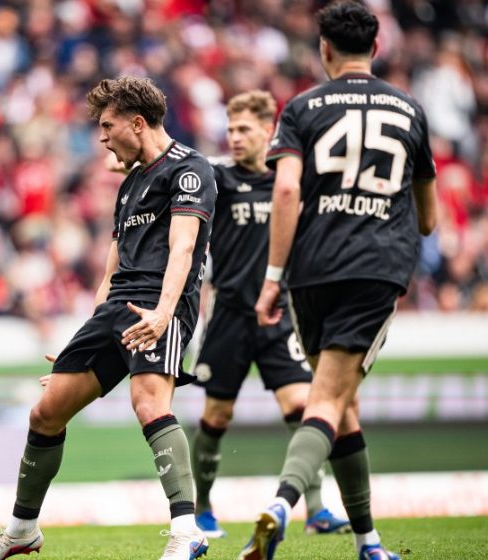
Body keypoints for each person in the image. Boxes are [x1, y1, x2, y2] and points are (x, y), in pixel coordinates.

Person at [0, 76, 216, 560]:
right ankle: (22, 530)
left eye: (107, 126)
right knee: (46, 412)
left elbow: (184, 246)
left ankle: (187, 529)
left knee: (148, 401)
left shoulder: (190, 169)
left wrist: (165, 314)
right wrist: (83, 340)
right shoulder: (130, 185)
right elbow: (111, 268)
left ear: (138, 123)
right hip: (116, 309)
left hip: (157, 303)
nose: (102, 138)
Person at [243, 2, 437, 560]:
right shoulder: (410, 110)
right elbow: (428, 219)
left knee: (340, 399)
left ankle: (369, 543)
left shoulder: (302, 108)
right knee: (330, 398)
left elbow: (284, 192)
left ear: (323, 49)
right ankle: (281, 506)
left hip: (311, 269)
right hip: (375, 267)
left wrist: (273, 277)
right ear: (376, 49)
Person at [189, 90, 350, 539]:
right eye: (230, 128)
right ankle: (202, 507)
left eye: (244, 129)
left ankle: (316, 509)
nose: (235, 137)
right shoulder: (216, 176)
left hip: (280, 319)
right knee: (217, 416)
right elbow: (167, 173)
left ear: (267, 130)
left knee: (302, 408)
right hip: (230, 315)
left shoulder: (289, 179)